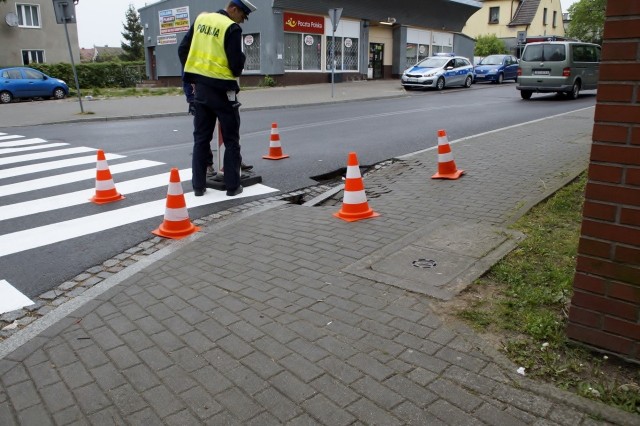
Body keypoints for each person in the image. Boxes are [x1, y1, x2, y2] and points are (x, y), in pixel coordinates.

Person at [178, 0, 256, 196]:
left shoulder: (201, 19)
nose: (242, 21)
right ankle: (232, 187)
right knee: (231, 140)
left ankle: (198, 187)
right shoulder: (231, 28)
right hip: (223, 91)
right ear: (234, 9)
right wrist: (243, 59)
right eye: (242, 16)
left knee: (201, 139)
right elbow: (236, 65)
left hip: (202, 91)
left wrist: (193, 77)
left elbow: (182, 49)